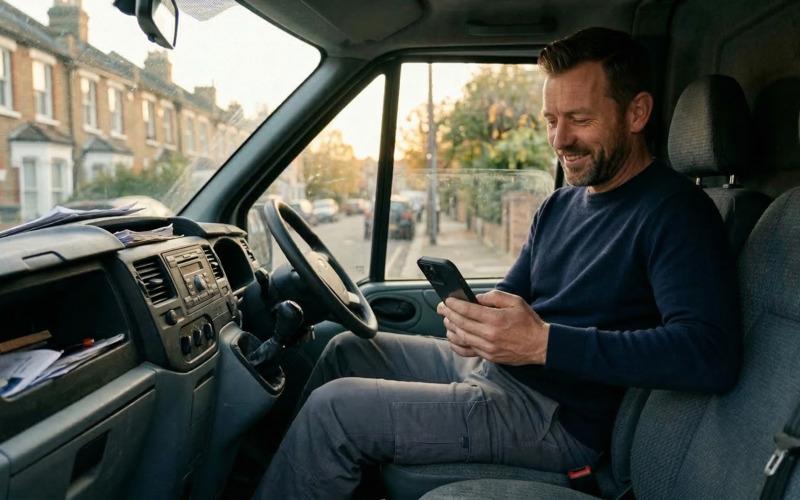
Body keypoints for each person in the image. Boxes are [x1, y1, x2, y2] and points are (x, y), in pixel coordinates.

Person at [256, 27, 740, 499]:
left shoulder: (676, 212)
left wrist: (544, 343)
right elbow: (510, 297)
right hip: (498, 370)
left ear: (637, 113)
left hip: (556, 416)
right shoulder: (560, 204)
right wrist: (473, 321)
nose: (560, 139)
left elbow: (708, 353)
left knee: (335, 411)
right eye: (551, 120)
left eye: (580, 119)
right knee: (344, 348)